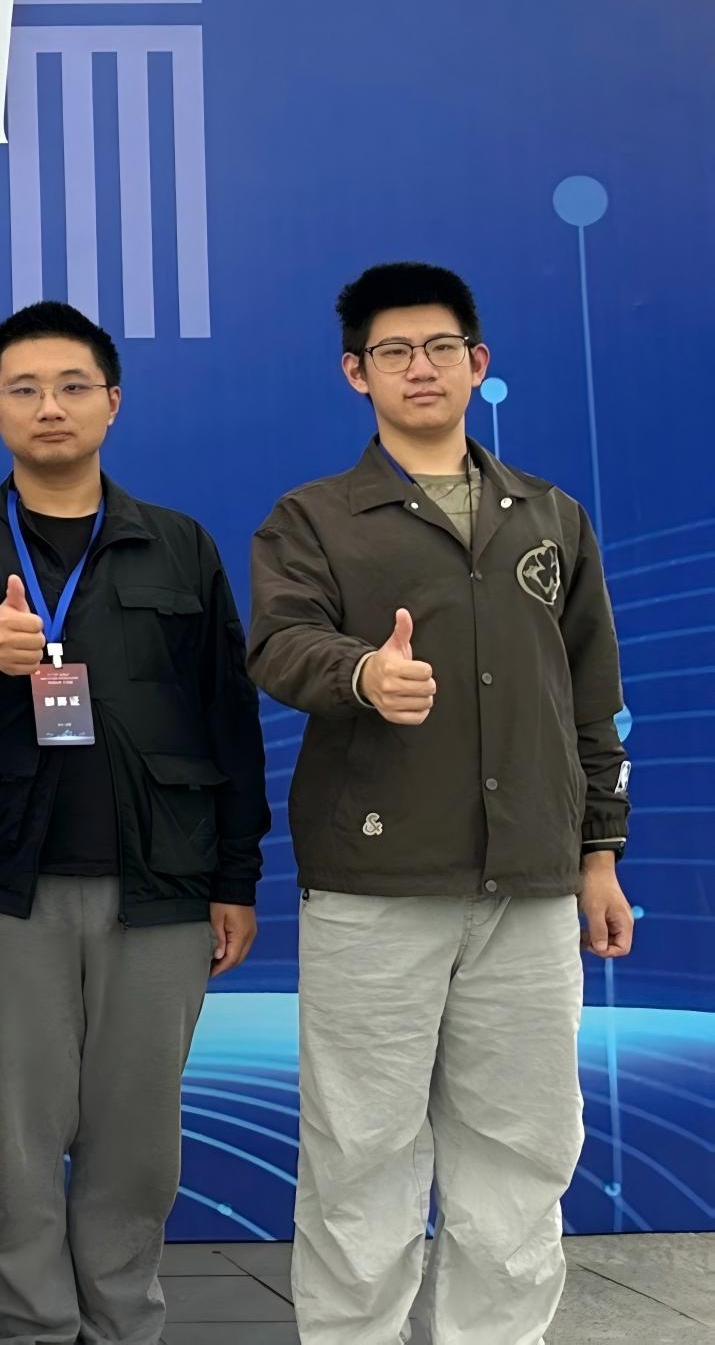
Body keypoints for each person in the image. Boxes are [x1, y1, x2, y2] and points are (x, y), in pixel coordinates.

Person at [250, 262, 630, 1345]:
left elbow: (590, 695)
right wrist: (362, 674)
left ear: (477, 362)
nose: (418, 368)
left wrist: (597, 855)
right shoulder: (314, 518)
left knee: (521, 1153)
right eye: (391, 352)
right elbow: (277, 643)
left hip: (530, 885)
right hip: (374, 883)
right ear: (354, 374)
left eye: (438, 348)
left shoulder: (550, 516)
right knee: (359, 1154)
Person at [0, 301, 268, 1345]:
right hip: (6, 892)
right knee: (13, 1146)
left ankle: (123, 1326)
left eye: (71, 385)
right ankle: (27, 1329)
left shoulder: (177, 545)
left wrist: (234, 878)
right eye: (23, 388)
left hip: (162, 891)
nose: (48, 405)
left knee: (137, 1147)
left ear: (111, 402)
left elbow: (228, 720)